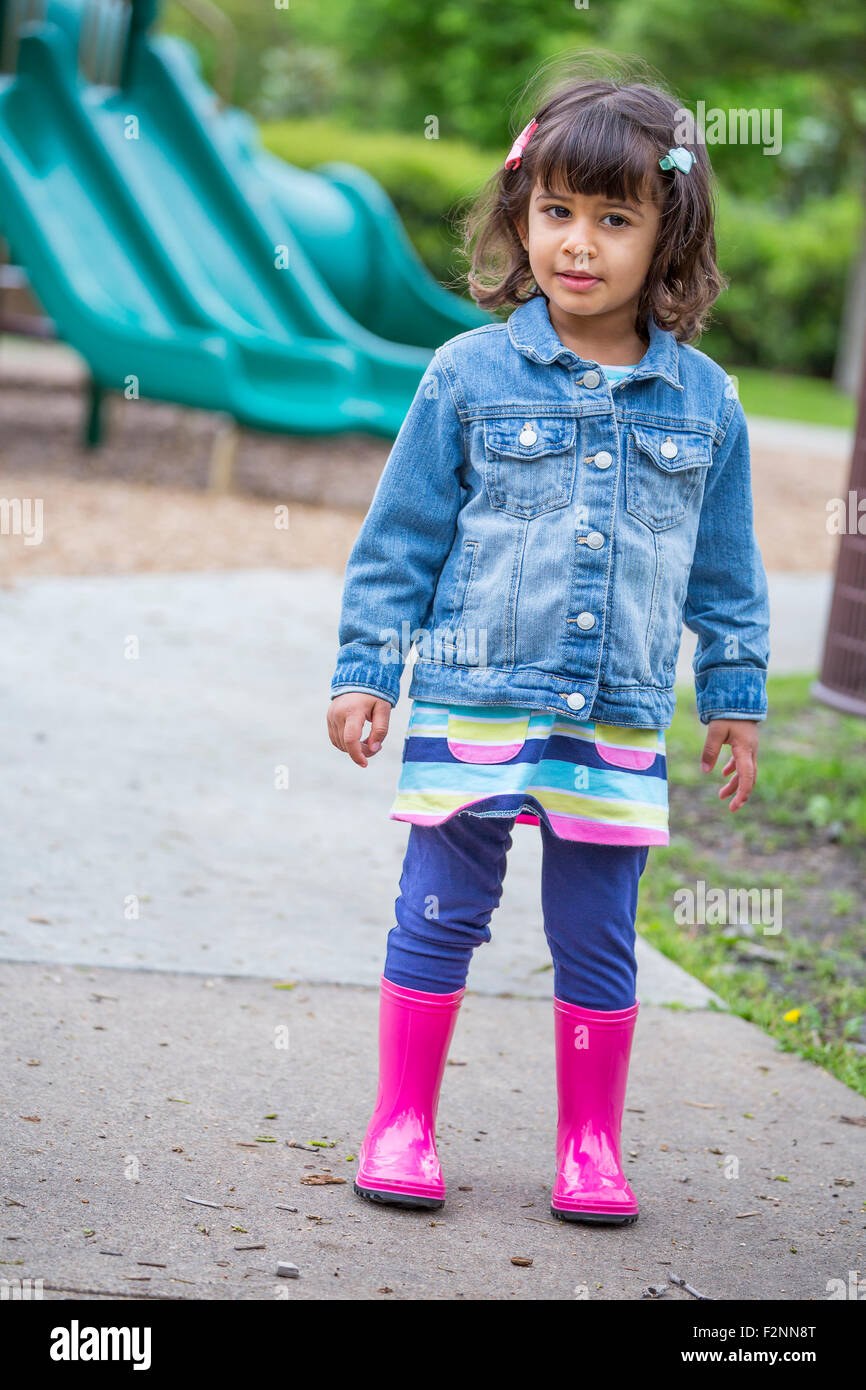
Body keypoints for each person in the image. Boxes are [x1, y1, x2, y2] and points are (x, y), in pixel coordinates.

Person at [327, 65, 770, 1225]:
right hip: (471, 695)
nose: (578, 242)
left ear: (667, 235)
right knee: (437, 909)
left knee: (597, 933)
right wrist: (368, 669)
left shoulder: (705, 403)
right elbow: (400, 540)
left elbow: (727, 574)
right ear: (520, 217)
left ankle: (588, 1144)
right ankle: (400, 1119)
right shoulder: (464, 375)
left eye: (614, 218)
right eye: (556, 211)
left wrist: (733, 693)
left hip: (613, 714)